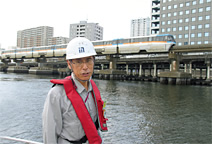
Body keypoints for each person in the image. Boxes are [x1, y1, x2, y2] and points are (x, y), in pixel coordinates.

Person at [42, 37, 108, 144]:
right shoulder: (57, 94)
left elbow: (94, 127)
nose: (85, 67)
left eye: (88, 60)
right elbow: (49, 133)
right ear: (69, 64)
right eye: (78, 62)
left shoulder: (93, 90)